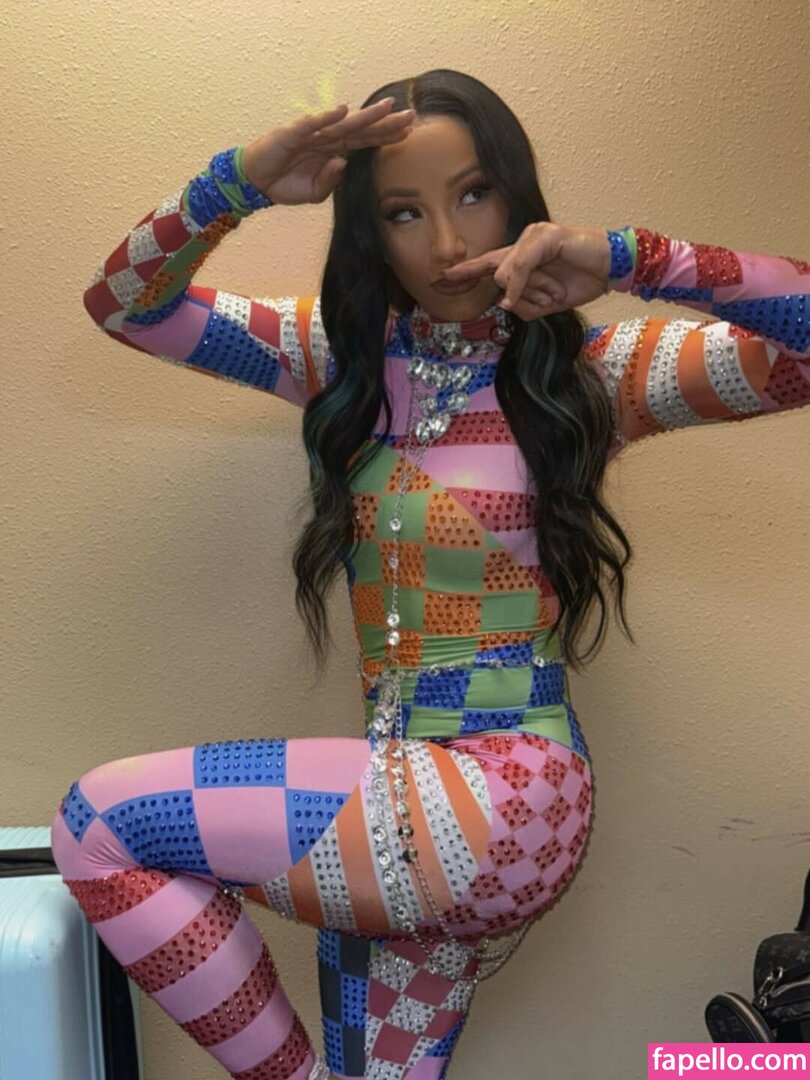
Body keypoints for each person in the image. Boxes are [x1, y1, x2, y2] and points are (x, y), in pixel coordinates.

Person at [51, 68, 809, 1079]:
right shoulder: (340, 360)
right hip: (399, 797)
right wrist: (238, 182)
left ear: (518, 196)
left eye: (474, 193)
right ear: (370, 233)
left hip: (508, 798)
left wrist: (632, 256)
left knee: (100, 826)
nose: (448, 244)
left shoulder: (595, 372)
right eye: (404, 212)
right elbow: (124, 304)